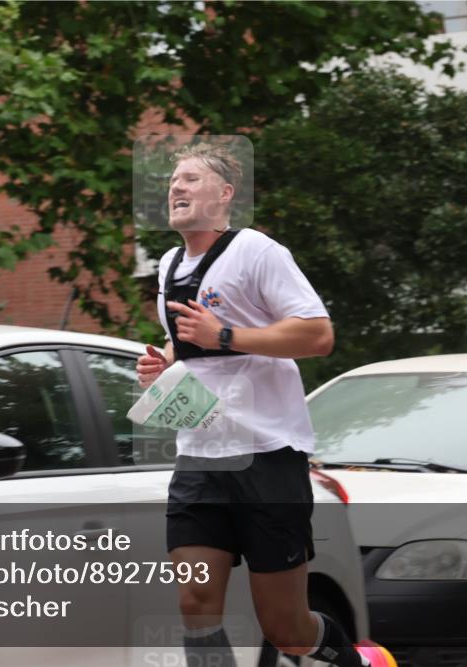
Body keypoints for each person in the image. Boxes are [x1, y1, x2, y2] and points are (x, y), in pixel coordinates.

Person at [136, 142, 368, 667]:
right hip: (199, 457)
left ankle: (351, 658)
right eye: (173, 180)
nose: (176, 187)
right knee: (195, 603)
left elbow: (317, 335)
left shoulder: (256, 253)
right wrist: (166, 362)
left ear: (224, 195)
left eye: (191, 179)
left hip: (268, 456)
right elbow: (191, 346)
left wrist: (225, 336)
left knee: (285, 627)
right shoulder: (170, 266)